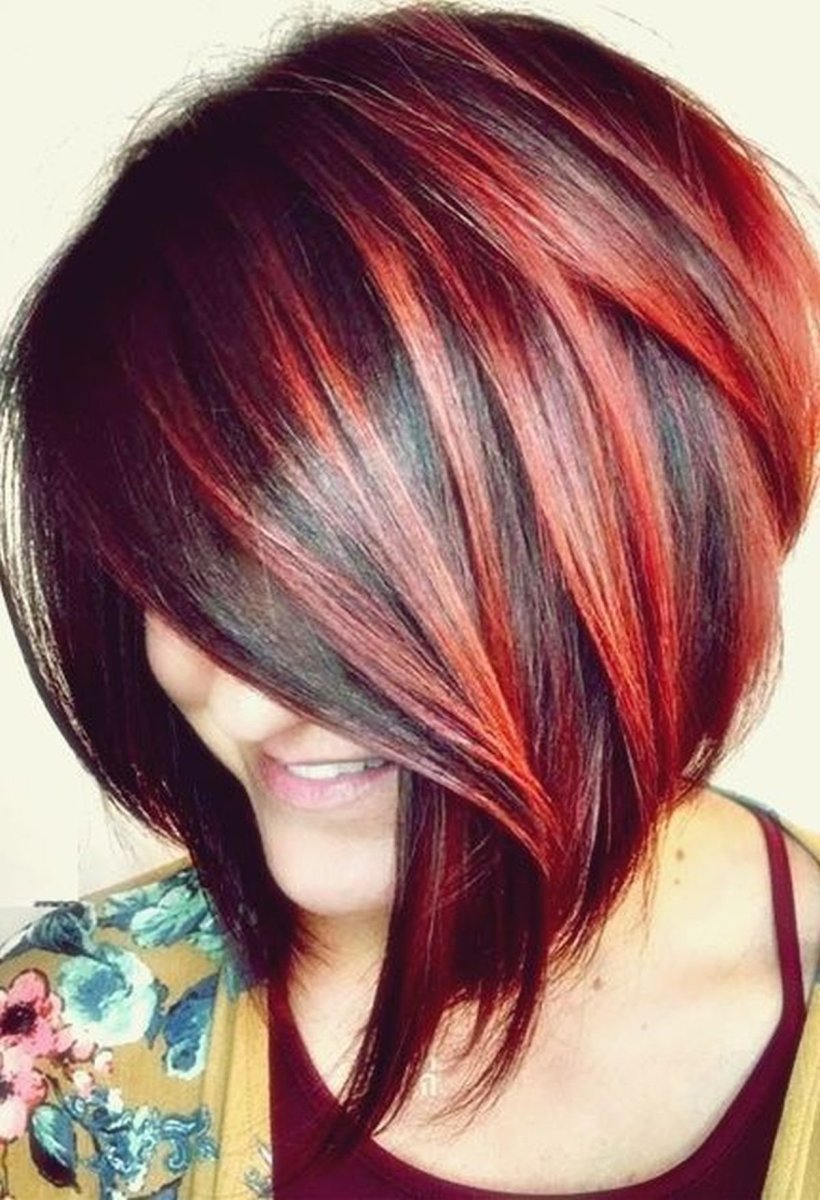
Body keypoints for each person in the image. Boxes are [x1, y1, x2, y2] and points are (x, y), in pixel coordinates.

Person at [1, 2, 819, 1196]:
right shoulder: (70, 1053)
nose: (243, 696)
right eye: (194, 569)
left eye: (350, 585)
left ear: (655, 527)